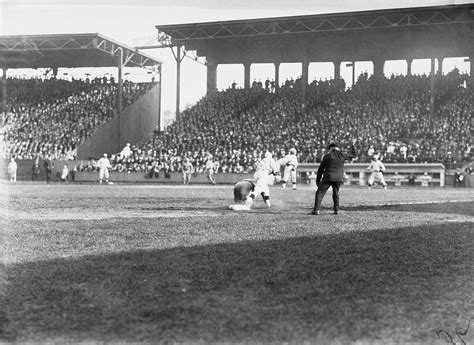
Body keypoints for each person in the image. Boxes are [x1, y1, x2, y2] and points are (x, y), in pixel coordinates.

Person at [311, 140, 357, 215]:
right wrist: (353, 145)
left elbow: (321, 169)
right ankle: (336, 210)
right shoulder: (342, 155)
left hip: (328, 177)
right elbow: (353, 155)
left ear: (331, 148)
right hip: (338, 178)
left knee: (320, 192)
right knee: (336, 193)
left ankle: (316, 210)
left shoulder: (327, 155)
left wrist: (318, 181)